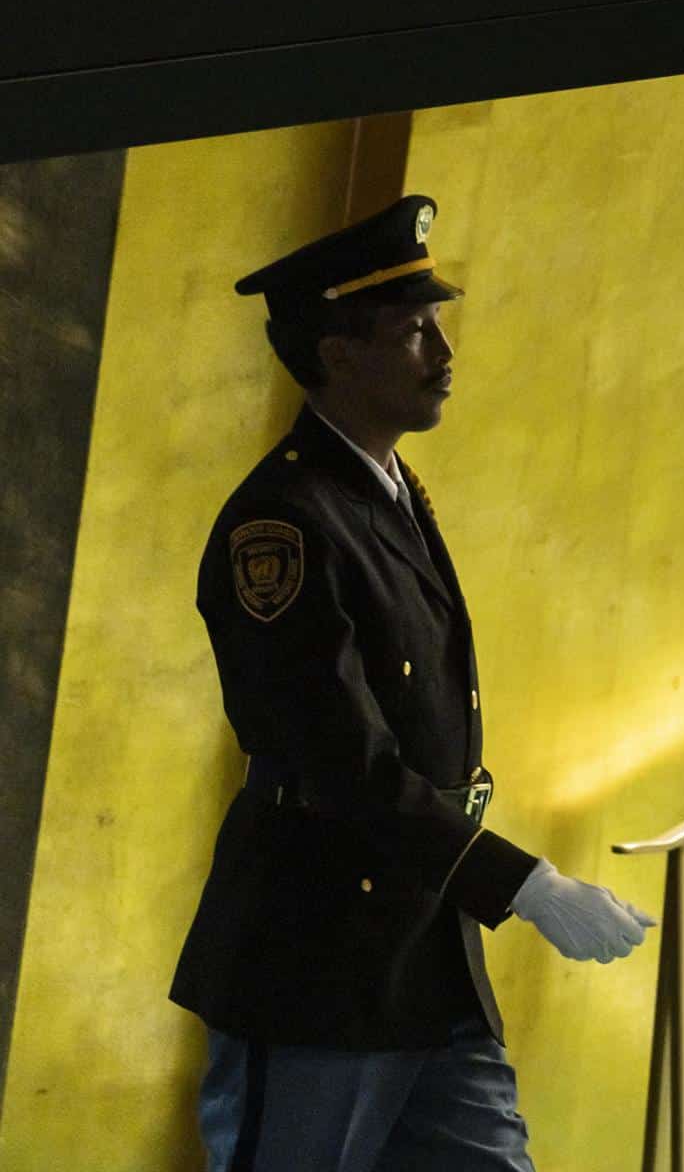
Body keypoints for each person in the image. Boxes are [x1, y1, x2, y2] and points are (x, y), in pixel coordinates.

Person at [172, 195, 655, 1170]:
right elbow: (340, 758)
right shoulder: (286, 523)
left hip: (422, 952)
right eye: (413, 331)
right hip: (316, 956)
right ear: (340, 354)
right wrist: (523, 882)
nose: (443, 351)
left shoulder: (383, 490)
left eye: (437, 325)